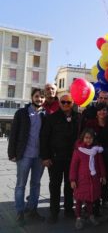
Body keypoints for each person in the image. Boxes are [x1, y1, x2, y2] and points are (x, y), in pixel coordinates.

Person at [8, 88, 46, 226]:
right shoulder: (21, 113)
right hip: (24, 155)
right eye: (37, 96)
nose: (39, 99)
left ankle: (33, 210)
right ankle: (20, 211)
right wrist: (11, 153)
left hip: (39, 157)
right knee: (20, 185)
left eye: (42, 97)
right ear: (31, 98)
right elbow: (13, 134)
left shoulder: (45, 115)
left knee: (36, 184)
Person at [40, 94, 80, 224]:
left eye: (68, 102)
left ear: (72, 103)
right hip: (55, 158)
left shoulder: (78, 117)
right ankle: (54, 212)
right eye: (63, 102)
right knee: (55, 185)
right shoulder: (51, 118)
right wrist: (45, 157)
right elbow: (44, 138)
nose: (65, 104)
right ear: (60, 103)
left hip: (72, 158)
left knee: (70, 185)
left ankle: (69, 209)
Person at [69, 128, 106, 230]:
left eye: (90, 138)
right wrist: (72, 179)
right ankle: (78, 217)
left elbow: (100, 164)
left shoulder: (96, 150)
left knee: (91, 199)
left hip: (93, 179)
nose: (88, 140)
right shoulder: (78, 151)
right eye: (86, 138)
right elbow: (73, 166)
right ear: (83, 138)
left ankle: (90, 216)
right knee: (79, 200)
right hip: (81, 180)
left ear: (93, 139)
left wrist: (103, 175)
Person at [84, 103, 108, 215]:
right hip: (94, 156)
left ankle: (104, 200)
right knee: (93, 181)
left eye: (104, 110)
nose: (102, 112)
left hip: (107, 156)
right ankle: (93, 205)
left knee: (105, 180)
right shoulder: (90, 124)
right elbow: (86, 139)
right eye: (99, 110)